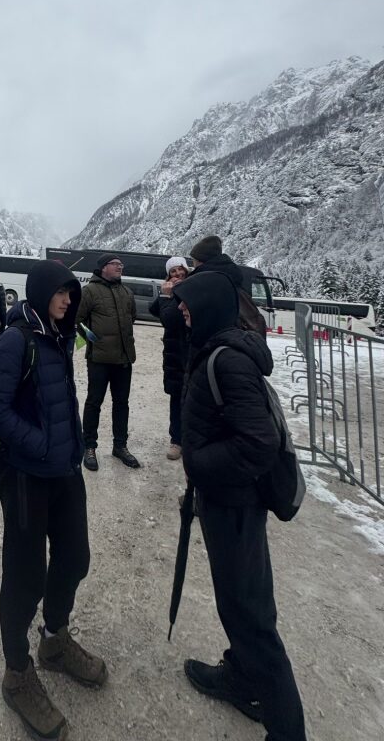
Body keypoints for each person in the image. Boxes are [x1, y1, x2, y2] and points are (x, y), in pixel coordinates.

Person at [172, 270, 306, 741]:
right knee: (237, 604)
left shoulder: (227, 360)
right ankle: (241, 677)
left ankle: (286, 732)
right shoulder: (216, 347)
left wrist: (198, 462)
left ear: (210, 306)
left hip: (234, 505)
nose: (181, 309)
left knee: (252, 618)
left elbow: (258, 442)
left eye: (188, 302)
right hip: (227, 500)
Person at [0, 260, 106, 741]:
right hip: (27, 477)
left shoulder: (59, 335)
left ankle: (54, 640)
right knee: (25, 577)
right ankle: (17, 673)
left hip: (65, 472)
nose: (69, 300)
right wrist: (42, 445)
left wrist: (69, 446)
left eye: (72, 293)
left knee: (75, 558)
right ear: (39, 292)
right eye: (61, 292)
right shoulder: (17, 340)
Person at [77, 254, 140, 471]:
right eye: (115, 264)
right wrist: (92, 339)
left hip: (123, 359)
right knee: (94, 403)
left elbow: (132, 317)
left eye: (121, 264)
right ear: (103, 267)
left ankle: (120, 446)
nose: (120, 267)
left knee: (122, 403)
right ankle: (89, 447)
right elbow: (77, 320)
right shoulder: (89, 291)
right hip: (99, 360)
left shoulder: (126, 292)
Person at [148, 257, 189, 459]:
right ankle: (176, 441)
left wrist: (168, 296)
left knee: (192, 399)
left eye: (181, 270)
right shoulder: (171, 292)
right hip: (174, 355)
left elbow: (170, 319)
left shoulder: (191, 290)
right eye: (173, 271)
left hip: (188, 352)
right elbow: (154, 309)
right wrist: (166, 295)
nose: (178, 274)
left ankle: (189, 441)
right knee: (176, 398)